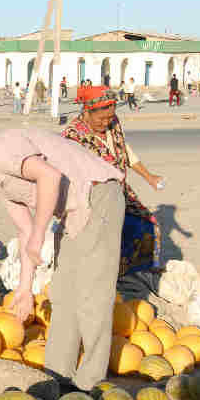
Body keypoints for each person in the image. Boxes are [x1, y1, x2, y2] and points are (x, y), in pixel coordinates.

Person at [0, 130, 124, 392]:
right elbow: (24, 230)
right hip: (74, 212)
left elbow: (49, 175)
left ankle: (90, 386)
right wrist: (24, 289)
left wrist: (40, 232)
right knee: (63, 295)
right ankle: (57, 378)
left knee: (92, 296)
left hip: (98, 197)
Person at [63, 86, 164, 278]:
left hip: (120, 191)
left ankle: (131, 272)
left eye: (110, 118)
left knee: (146, 224)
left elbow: (124, 150)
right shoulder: (72, 136)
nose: (106, 122)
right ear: (87, 112)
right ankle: (105, 276)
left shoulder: (113, 123)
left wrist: (148, 176)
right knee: (104, 239)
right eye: (101, 119)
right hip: (92, 199)